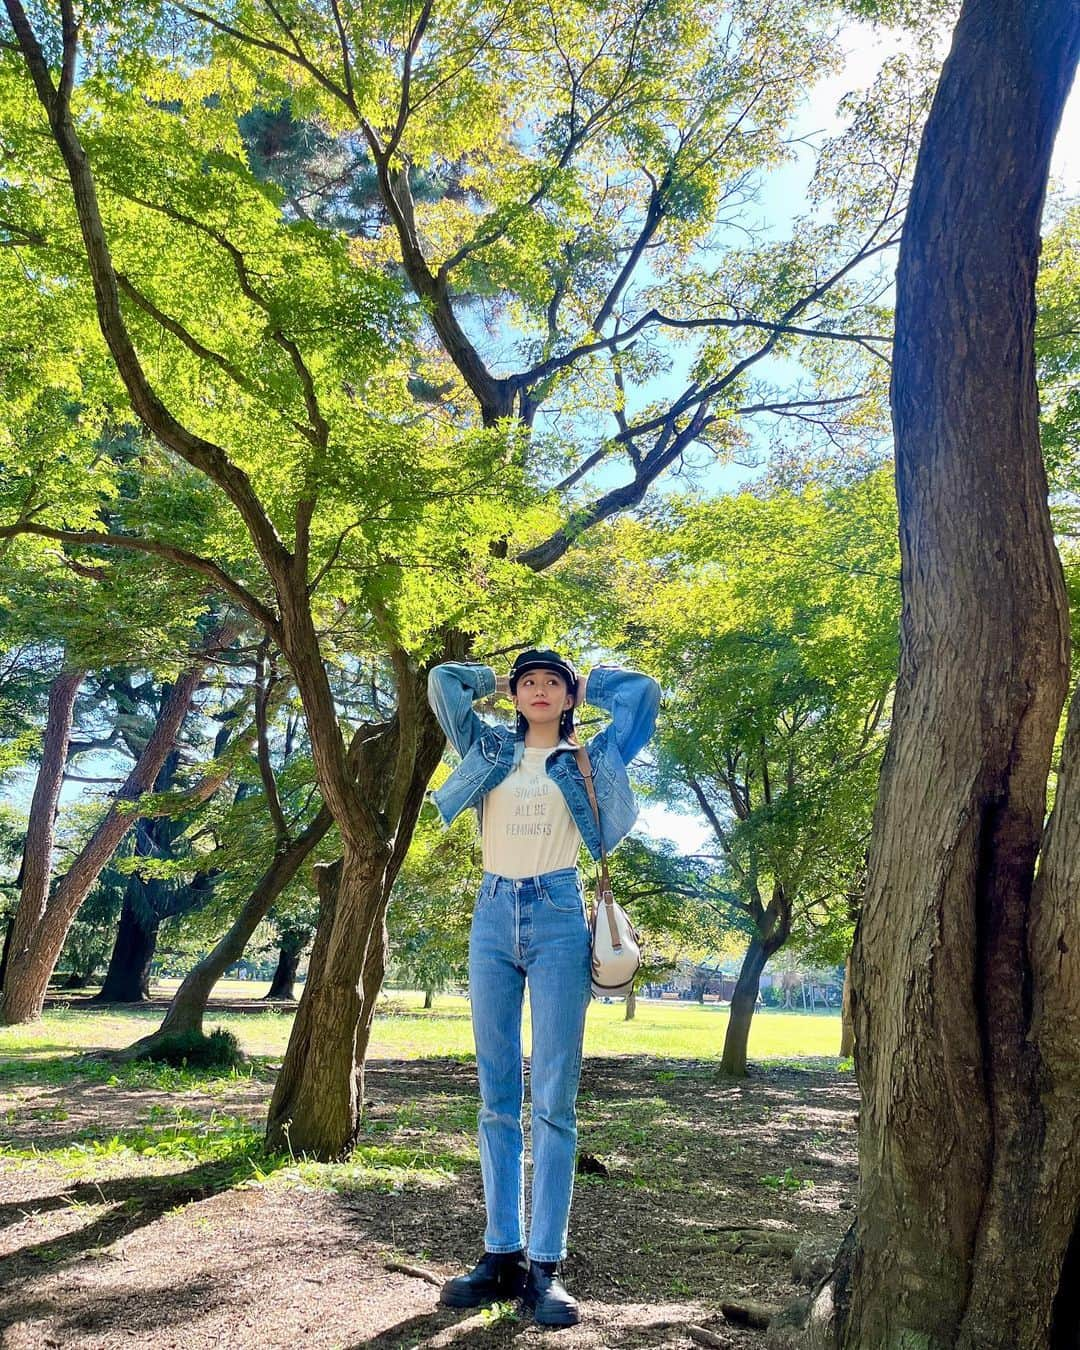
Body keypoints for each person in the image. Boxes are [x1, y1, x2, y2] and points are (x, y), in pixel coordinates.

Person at [426, 649, 660, 1327]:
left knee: (555, 1097)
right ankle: (499, 1255)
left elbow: (643, 695)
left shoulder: (592, 757)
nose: (536, 689)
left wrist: (586, 685)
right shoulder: (486, 745)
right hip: (492, 914)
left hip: (559, 914)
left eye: (549, 682)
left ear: (567, 696)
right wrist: (498, 681)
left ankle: (544, 1266)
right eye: (528, 682)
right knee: (497, 1095)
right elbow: (442, 684)